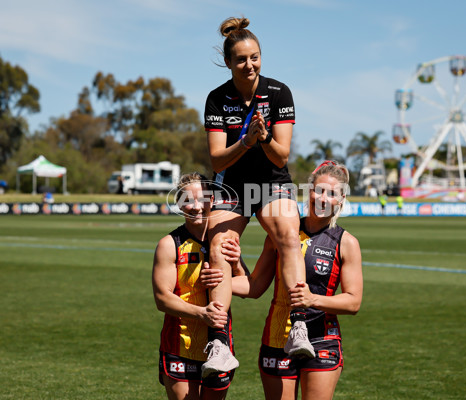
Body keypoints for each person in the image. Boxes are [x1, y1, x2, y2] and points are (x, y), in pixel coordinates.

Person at [202, 16, 313, 377]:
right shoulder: (217, 99)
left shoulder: (279, 93)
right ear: (228, 62)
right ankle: (219, 343)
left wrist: (263, 140)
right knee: (218, 245)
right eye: (240, 60)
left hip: (270, 182)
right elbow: (217, 158)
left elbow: (282, 156)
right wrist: (245, 141)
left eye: (255, 57)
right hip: (232, 185)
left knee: (287, 234)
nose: (249, 65)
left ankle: (298, 327)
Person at [202, 160, 363, 400]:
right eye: (318, 191)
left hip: (321, 340)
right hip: (276, 339)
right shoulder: (281, 234)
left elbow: (352, 302)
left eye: (332, 194)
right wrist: (223, 275)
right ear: (309, 192)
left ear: (340, 199)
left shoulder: (345, 242)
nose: (323, 199)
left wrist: (312, 299)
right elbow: (255, 286)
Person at [152, 173, 248, 400]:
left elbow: (250, 289)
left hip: (220, 347)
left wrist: (236, 265)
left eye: (201, 199)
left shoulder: (224, 241)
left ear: (212, 201)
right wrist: (201, 313)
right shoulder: (170, 245)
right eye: (188, 199)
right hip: (180, 346)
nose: (195, 207)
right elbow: (162, 299)